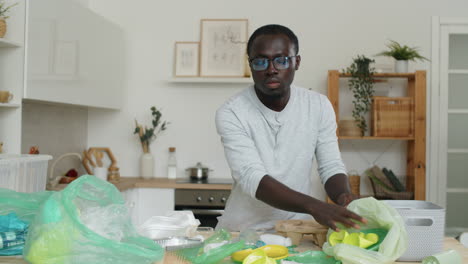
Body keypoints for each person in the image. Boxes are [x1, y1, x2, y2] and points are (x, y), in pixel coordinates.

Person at [215, 24, 366, 232]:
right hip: (240, 234)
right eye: (260, 61)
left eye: (281, 59)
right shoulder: (232, 112)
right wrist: (314, 206)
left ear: (296, 62)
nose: (271, 69)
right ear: (250, 65)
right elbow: (252, 177)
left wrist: (343, 196)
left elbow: (330, 165)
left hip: (296, 230)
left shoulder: (318, 105)